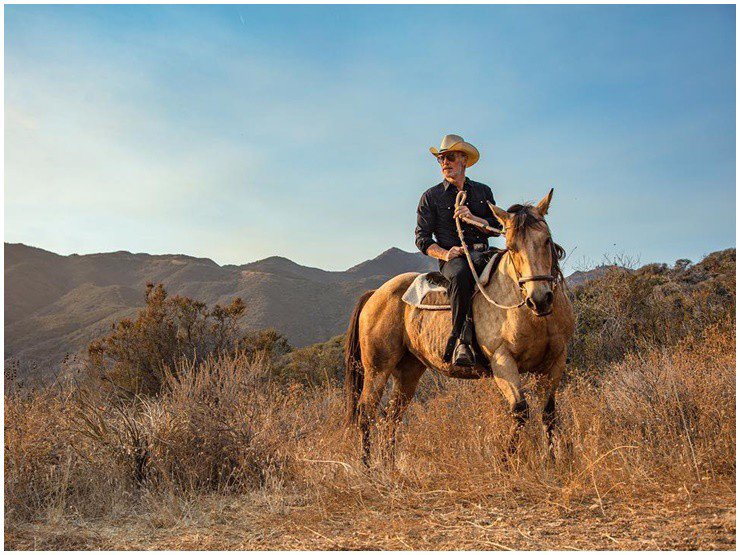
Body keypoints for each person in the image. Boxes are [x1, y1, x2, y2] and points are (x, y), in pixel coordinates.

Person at [415, 134, 502, 366]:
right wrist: (445, 254)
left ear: (463, 159)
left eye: (450, 157)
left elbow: (498, 229)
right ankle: (462, 342)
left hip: (484, 253)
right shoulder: (430, 197)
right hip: (455, 258)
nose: (445, 162)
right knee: (462, 274)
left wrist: (473, 217)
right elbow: (422, 239)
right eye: (441, 159)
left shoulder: (483, 192)